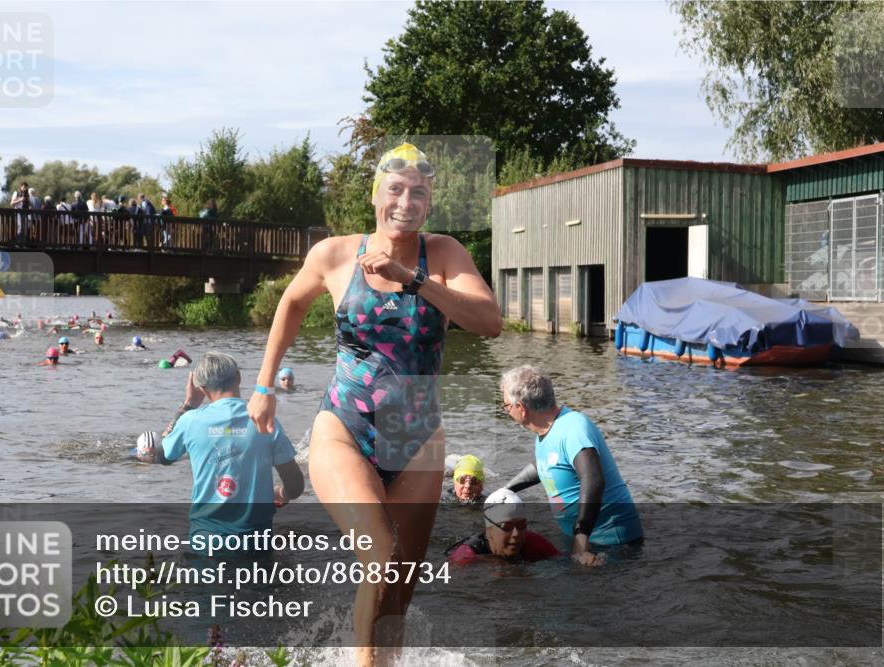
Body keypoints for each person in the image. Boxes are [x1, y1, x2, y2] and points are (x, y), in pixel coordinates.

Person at [247, 142, 502, 664]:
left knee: (399, 592)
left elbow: (489, 322)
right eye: (395, 189)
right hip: (345, 429)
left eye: (419, 193)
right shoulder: (335, 255)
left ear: (429, 203)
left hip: (419, 443)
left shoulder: (443, 254)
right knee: (381, 562)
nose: (406, 202)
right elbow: (291, 303)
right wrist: (264, 386)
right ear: (375, 196)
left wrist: (415, 281)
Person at [135, 353, 305, 546]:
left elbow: (162, 456)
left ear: (201, 389)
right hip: (256, 541)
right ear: (239, 377)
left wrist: (188, 405)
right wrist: (282, 494)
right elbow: (296, 486)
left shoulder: (189, 421)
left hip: (206, 540)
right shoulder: (265, 419)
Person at [499, 365, 643, 567]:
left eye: (506, 406)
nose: (506, 411)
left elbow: (593, 480)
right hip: (580, 536)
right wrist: (505, 490)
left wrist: (581, 538)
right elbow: (545, 465)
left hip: (612, 542)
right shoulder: (547, 429)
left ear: (521, 408)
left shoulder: (574, 429)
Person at [446, 489, 560, 565]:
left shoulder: (534, 542)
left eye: (521, 525)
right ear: (489, 530)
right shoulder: (465, 557)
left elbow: (563, 564)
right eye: (507, 527)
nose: (516, 534)